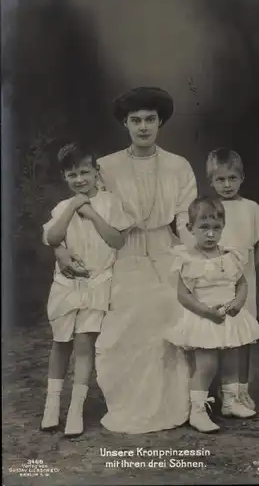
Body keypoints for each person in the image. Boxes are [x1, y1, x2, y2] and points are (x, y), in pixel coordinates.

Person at [52, 87, 198, 434]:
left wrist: (194, 257)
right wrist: (60, 250)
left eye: (150, 119)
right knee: (123, 331)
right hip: (120, 253)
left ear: (160, 122)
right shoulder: (105, 166)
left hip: (165, 250)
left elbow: (184, 218)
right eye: (136, 120)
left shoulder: (178, 166)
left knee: (168, 323)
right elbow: (80, 215)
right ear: (125, 124)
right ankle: (129, 403)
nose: (143, 127)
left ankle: (178, 403)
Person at [40, 143, 134, 437]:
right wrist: (72, 206)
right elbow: (54, 236)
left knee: (84, 343)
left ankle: (76, 408)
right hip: (67, 284)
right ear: (64, 177)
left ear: (96, 172)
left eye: (84, 172)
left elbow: (117, 242)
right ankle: (52, 404)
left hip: (97, 282)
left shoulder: (110, 203)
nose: (79, 179)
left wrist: (91, 214)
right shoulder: (61, 207)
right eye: (72, 174)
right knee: (60, 342)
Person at [164, 197, 259, 433]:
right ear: (190, 229)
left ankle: (231, 401)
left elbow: (241, 284)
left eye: (216, 228)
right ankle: (197, 411)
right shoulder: (187, 259)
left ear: (223, 228)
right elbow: (184, 295)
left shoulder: (230, 256)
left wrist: (238, 304)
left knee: (232, 361)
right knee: (207, 365)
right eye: (204, 228)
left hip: (228, 316)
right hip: (204, 317)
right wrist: (206, 312)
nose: (210, 234)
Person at [206, 148, 259, 411]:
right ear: (211, 181)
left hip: (244, 282)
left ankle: (241, 391)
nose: (227, 184)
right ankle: (222, 393)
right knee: (219, 337)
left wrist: (245, 271)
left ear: (242, 178)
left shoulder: (251, 208)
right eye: (220, 179)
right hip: (217, 283)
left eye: (232, 178)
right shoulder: (210, 209)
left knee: (244, 336)